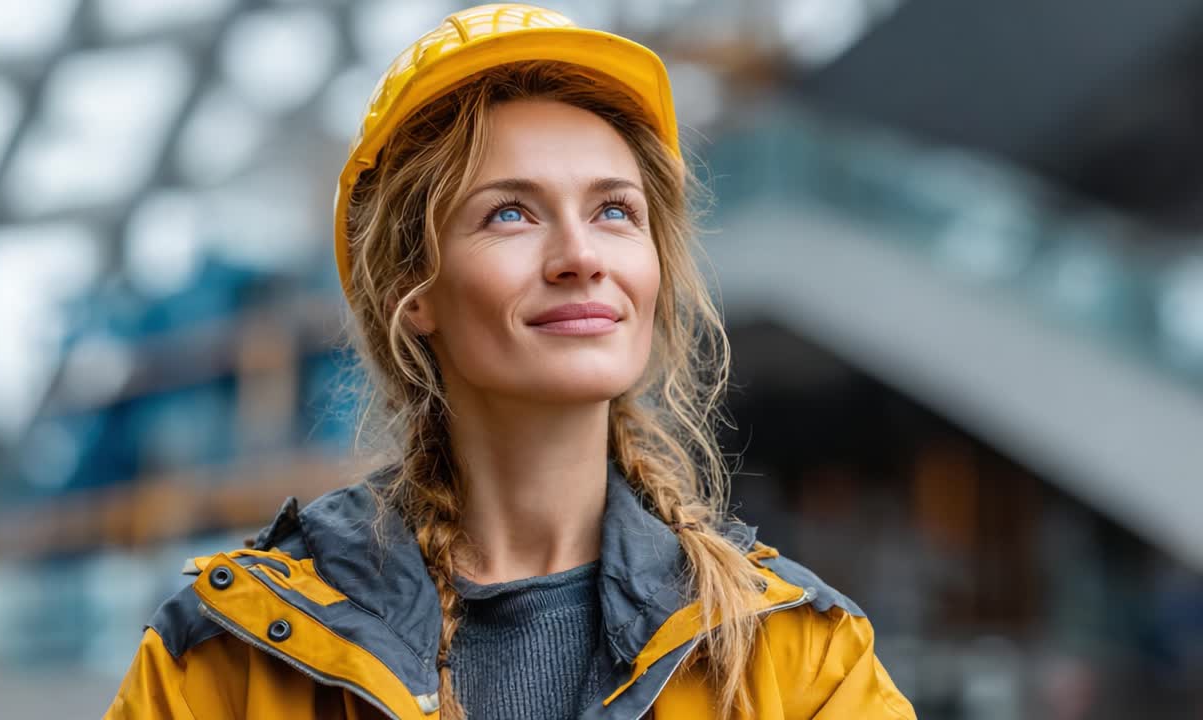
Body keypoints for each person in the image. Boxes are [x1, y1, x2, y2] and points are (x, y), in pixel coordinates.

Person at [104, 4, 916, 719]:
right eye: (512, 213)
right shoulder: (226, 661)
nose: (580, 255)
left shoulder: (800, 661)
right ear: (412, 289)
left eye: (613, 210)